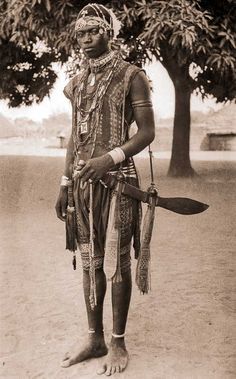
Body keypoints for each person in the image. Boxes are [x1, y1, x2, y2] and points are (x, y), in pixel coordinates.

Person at [55, 3, 155, 376]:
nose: (84, 40)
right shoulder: (77, 83)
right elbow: (72, 139)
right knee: (90, 260)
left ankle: (117, 341)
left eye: (92, 32)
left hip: (119, 183)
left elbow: (147, 131)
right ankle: (94, 337)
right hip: (82, 186)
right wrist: (65, 183)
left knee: (116, 264)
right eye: (79, 34)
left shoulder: (132, 75)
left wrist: (109, 159)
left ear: (108, 34)